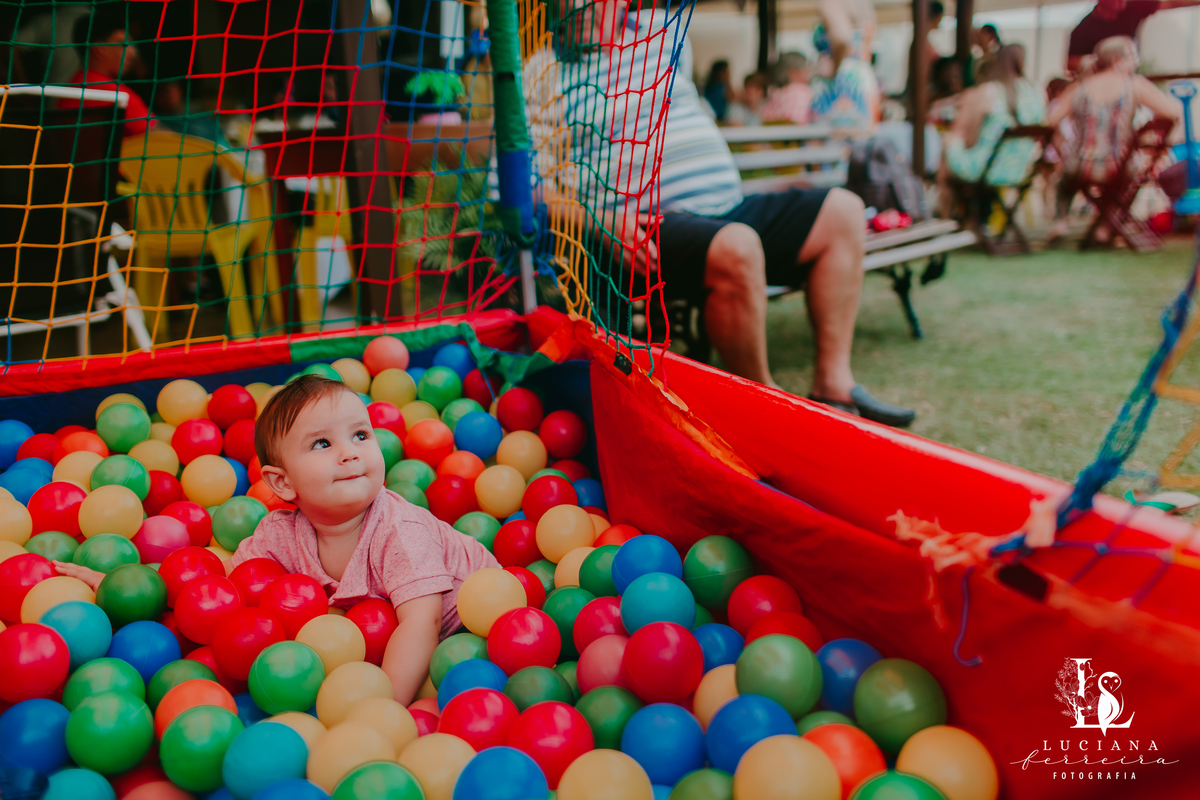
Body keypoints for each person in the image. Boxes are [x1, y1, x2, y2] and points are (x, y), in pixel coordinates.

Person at [547, 0, 915, 425]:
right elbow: (528, 191)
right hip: (640, 230)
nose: (582, 6)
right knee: (738, 244)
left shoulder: (658, 31)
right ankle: (764, 412)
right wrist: (602, 221)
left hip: (728, 207)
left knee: (844, 211)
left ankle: (833, 383)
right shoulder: (543, 74)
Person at [56, 375, 501, 704]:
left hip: (467, 631)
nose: (350, 452)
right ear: (283, 483)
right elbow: (217, 589)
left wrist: (384, 707)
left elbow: (421, 625)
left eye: (360, 435)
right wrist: (126, 588)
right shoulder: (281, 534)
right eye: (322, 444)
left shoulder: (400, 530)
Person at [1048, 36, 1180, 241]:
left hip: (1079, 166)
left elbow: (1050, 121)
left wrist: (1062, 148)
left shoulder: (1080, 87)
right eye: (1132, 57)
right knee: (1127, 179)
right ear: (1118, 61)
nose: (1136, 63)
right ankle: (1105, 226)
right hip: (1119, 166)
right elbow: (1173, 112)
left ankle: (1060, 223)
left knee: (1064, 182)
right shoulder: (1132, 84)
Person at [937, 44, 1047, 217]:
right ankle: (976, 217)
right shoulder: (1037, 93)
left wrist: (953, 140)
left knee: (948, 151)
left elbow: (967, 134)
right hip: (1022, 170)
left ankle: (947, 217)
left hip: (986, 168)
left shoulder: (989, 92)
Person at [60, 8, 155, 137]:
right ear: (99, 49)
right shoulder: (111, 92)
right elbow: (162, 137)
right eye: (123, 45)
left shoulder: (73, 87)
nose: (133, 54)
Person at [1067, 0, 1200, 74]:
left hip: (1127, 78)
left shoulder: (1133, 7)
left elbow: (1171, 3)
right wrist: (1100, 62)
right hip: (1100, 82)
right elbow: (1069, 63)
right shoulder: (1083, 29)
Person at [811, 0, 880, 130]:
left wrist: (833, 70)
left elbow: (842, 38)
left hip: (839, 83)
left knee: (833, 137)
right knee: (861, 135)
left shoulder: (831, 3)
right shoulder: (860, 5)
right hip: (860, 78)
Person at [761, 53, 813, 125]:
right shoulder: (801, 91)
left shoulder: (775, 93)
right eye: (805, 68)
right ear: (793, 72)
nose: (808, 72)